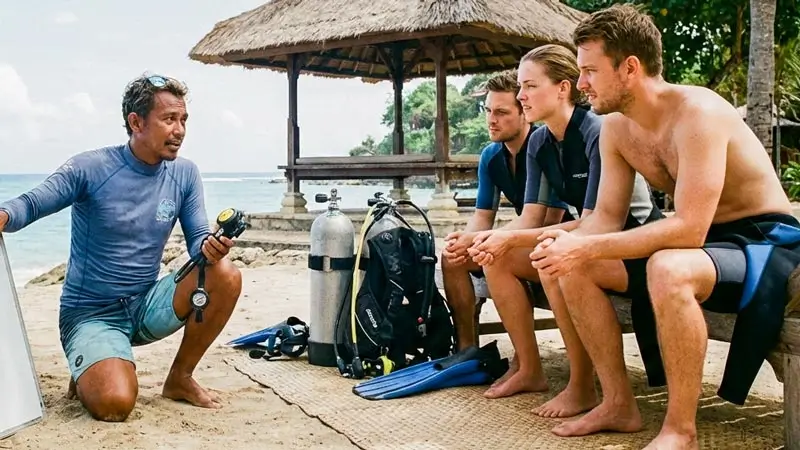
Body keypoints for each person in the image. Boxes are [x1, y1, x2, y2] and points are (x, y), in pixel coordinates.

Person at [530, 5, 799, 449]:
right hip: (707, 243)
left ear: (630, 68)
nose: (581, 85)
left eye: (590, 71)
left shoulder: (698, 113)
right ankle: (619, 404)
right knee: (569, 265)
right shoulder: (615, 127)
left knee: (669, 268)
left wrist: (586, 246)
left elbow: (689, 229)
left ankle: (680, 430)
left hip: (765, 241)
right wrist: (565, 242)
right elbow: (603, 219)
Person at [0, 74, 243, 422]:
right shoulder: (91, 167)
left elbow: (197, 242)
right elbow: (33, 202)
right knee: (115, 404)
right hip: (91, 313)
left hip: (146, 305)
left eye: (184, 120)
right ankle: (93, 358)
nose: (180, 130)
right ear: (136, 122)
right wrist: (4, 215)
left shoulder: (185, 174)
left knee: (226, 274)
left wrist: (211, 247)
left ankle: (180, 378)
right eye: (169, 119)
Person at [466, 44, 662, 413]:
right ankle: (529, 368)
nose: (521, 95)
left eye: (529, 86)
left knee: (555, 260)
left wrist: (510, 237)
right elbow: (530, 216)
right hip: (592, 238)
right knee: (500, 259)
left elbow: (597, 222)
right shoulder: (540, 141)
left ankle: (582, 384)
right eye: (520, 88)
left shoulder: (597, 131)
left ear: (563, 88)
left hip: (633, 241)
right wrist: (496, 240)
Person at [441, 70, 543, 354]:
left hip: (549, 236)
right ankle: (466, 350)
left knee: (494, 255)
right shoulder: (490, 156)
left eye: (501, 112)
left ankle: (526, 358)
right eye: (487, 110)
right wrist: (466, 240)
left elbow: (544, 219)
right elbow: (483, 216)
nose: (491, 119)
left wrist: (486, 239)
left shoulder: (542, 145)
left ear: (525, 113)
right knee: (453, 257)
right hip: (520, 237)